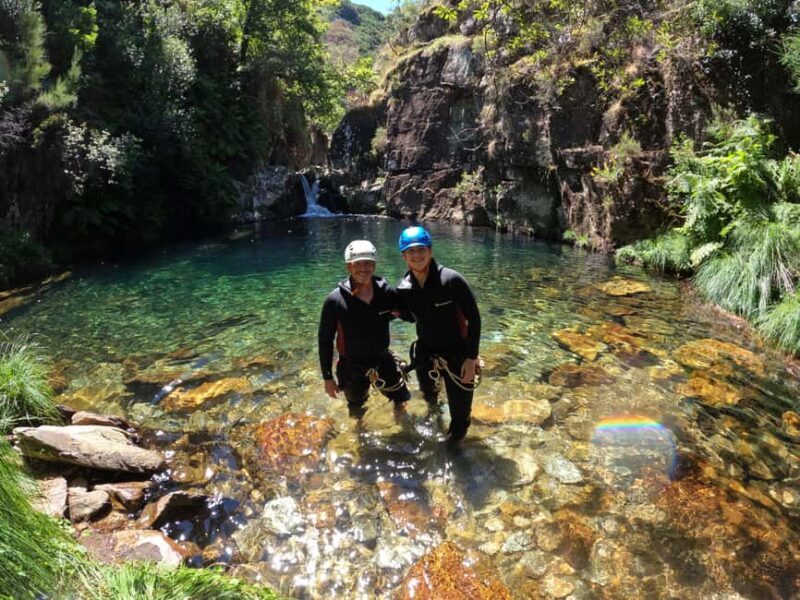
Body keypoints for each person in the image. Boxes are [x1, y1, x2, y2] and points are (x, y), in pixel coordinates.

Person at [396, 226, 481, 444]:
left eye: (421, 249)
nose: (417, 255)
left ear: (430, 251)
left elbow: (474, 319)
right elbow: (412, 316)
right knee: (430, 399)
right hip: (426, 355)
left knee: (460, 418)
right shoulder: (405, 287)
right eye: (411, 251)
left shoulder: (451, 280)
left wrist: (471, 358)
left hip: (458, 355)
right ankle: (435, 427)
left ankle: (453, 452)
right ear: (404, 256)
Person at [318, 240, 410, 417]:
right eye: (357, 264)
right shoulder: (335, 301)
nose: (363, 268)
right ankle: (360, 433)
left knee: (401, 399)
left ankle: (403, 427)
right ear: (348, 267)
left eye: (368, 263)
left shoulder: (386, 293)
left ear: (374, 265)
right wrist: (327, 377)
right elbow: (325, 340)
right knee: (356, 407)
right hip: (351, 366)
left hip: (383, 360)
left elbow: (409, 316)